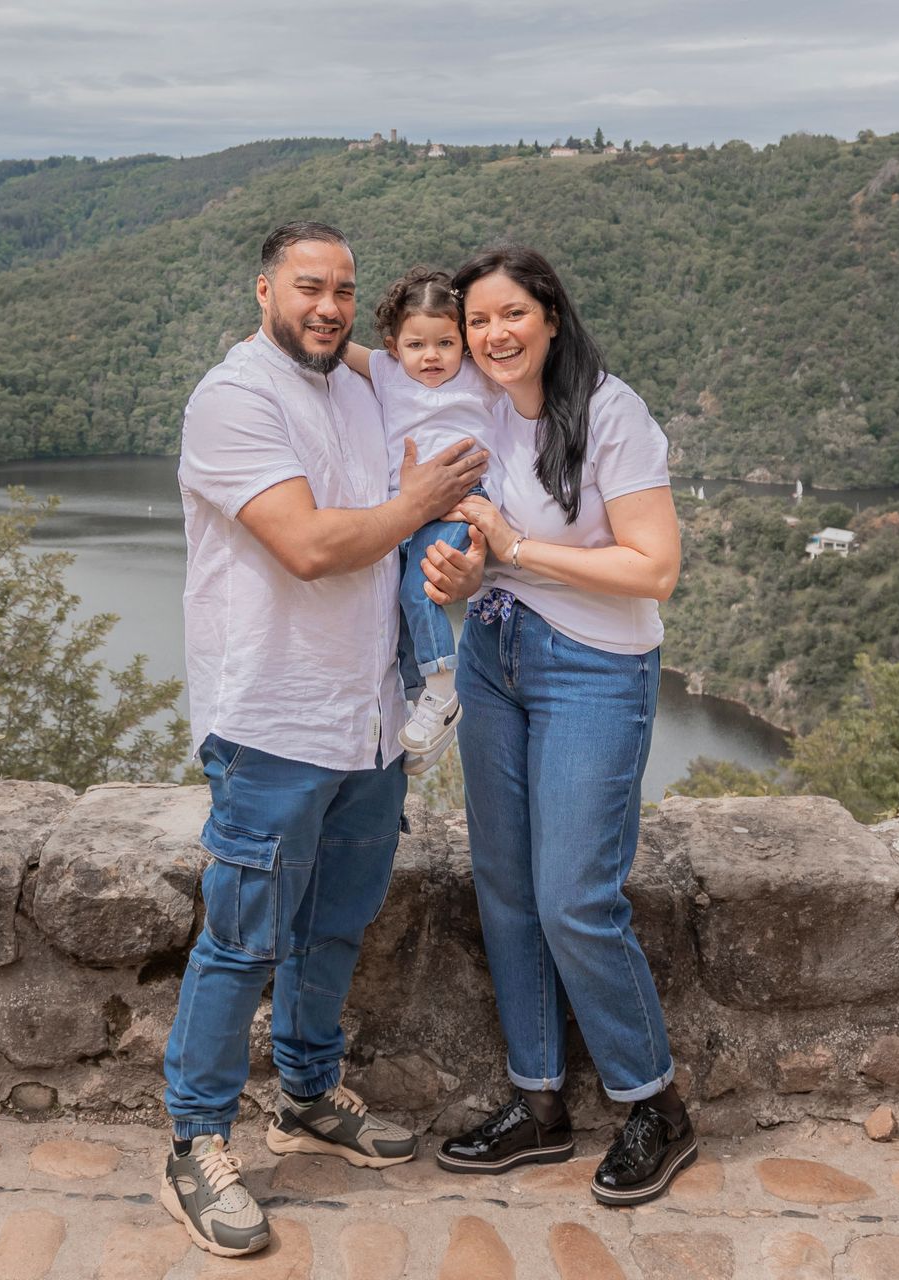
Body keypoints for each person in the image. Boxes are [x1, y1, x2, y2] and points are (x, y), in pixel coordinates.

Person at [164, 221, 487, 1257]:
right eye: (310, 286)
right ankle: (195, 1139)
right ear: (263, 289)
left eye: (345, 289)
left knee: (334, 925)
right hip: (271, 716)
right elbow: (306, 545)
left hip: (366, 718)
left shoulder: (353, 384)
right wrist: (420, 502)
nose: (330, 305)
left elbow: (415, 368)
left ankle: (305, 1092)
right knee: (243, 934)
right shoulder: (235, 399)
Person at [433, 244, 693, 1207]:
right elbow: (480, 551)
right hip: (493, 657)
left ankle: (656, 1105)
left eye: (512, 316)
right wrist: (469, 572)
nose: (493, 336)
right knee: (504, 889)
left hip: (594, 667)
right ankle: (537, 1104)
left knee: (573, 896)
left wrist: (518, 548)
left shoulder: (612, 414)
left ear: (549, 317)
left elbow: (652, 568)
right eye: (477, 322)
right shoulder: (475, 409)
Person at [340, 265, 502, 769]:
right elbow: (341, 348)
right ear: (394, 346)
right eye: (416, 345)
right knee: (400, 605)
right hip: (404, 506)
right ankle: (421, 709)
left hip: (458, 500)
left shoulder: (481, 377)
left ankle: (441, 693)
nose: (431, 356)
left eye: (445, 344)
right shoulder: (388, 372)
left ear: (465, 345)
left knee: (420, 590)